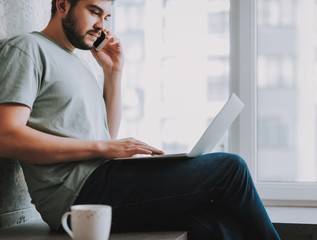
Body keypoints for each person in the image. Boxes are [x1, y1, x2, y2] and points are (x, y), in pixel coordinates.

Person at [0, 0, 281, 239]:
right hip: (78, 196)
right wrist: (104, 149)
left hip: (100, 183)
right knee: (231, 168)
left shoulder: (79, 62)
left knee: (216, 224)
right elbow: (6, 136)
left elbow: (104, 136)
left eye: (106, 16)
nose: (102, 24)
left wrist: (114, 74)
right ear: (62, 5)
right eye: (95, 11)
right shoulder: (26, 48)